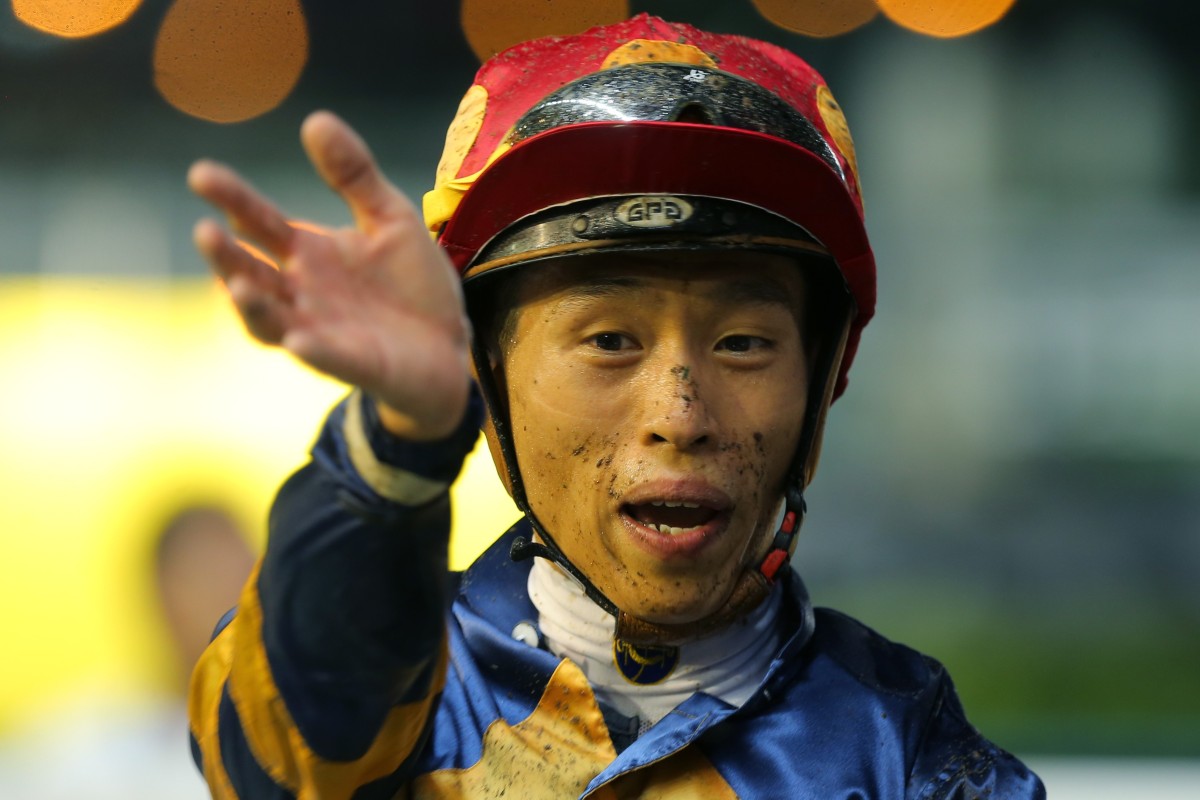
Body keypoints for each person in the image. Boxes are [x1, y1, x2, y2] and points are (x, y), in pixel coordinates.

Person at [185, 14, 1045, 799]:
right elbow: (271, 762)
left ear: (823, 382)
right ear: (491, 377)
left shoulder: (908, 746)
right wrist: (395, 447)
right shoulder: (406, 690)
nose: (681, 414)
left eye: (743, 342)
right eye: (609, 341)